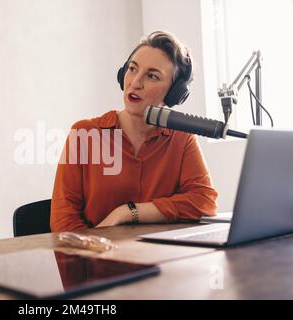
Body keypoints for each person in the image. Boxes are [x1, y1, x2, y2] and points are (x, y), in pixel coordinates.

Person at [51, 31, 218, 232]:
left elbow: (204, 202)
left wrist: (127, 212)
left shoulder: (182, 140)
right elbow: (63, 222)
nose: (135, 82)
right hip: (97, 259)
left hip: (157, 259)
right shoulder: (84, 133)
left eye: (152, 76)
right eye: (132, 69)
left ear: (174, 94)